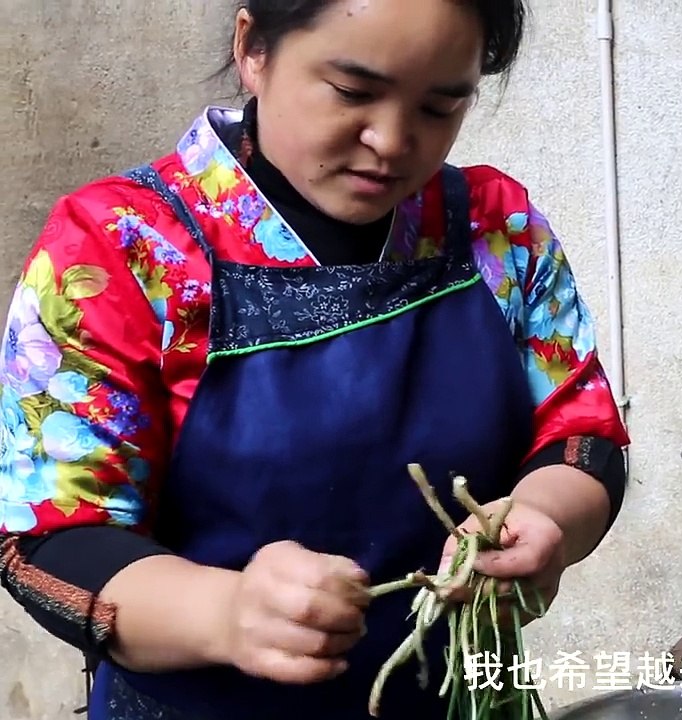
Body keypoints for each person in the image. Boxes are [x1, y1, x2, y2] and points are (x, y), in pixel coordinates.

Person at [0, 0, 631, 718]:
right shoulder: (122, 248)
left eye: (440, 105)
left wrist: (545, 518)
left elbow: (582, 434)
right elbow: (49, 540)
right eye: (353, 92)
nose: (392, 142)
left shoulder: (495, 228)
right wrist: (227, 611)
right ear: (253, 48)